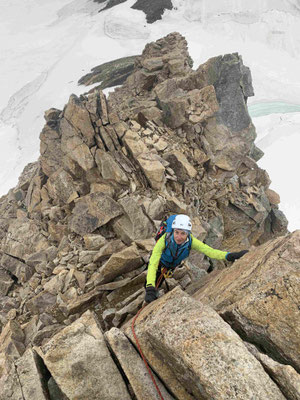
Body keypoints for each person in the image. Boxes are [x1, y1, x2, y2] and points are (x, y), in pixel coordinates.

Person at [144, 214, 248, 304]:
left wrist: (230, 256)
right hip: (160, 263)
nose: (179, 237)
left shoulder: (192, 242)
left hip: (171, 266)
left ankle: (153, 294)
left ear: (188, 233)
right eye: (177, 232)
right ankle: (149, 293)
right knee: (152, 283)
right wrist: (149, 288)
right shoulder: (164, 240)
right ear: (173, 231)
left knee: (159, 283)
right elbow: (153, 263)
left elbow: (210, 252)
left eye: (183, 233)